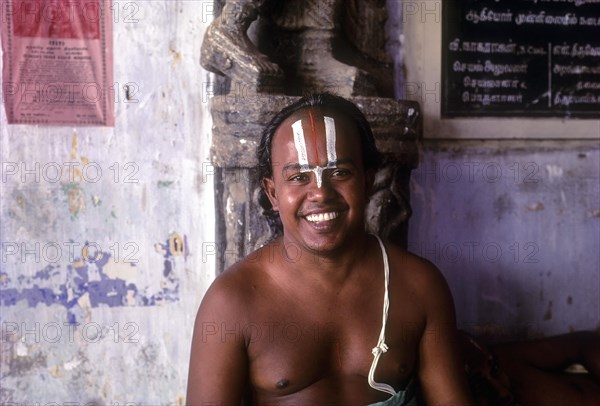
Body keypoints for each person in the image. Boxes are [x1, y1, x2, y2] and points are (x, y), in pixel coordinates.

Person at [186, 93, 472, 405]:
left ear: (367, 180)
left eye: (339, 173)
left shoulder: (420, 285)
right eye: (298, 177)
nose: (320, 194)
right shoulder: (231, 302)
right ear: (272, 193)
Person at [461, 330, 600, 405]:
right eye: (480, 387)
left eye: (495, 370)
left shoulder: (509, 364)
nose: (504, 393)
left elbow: (583, 344)